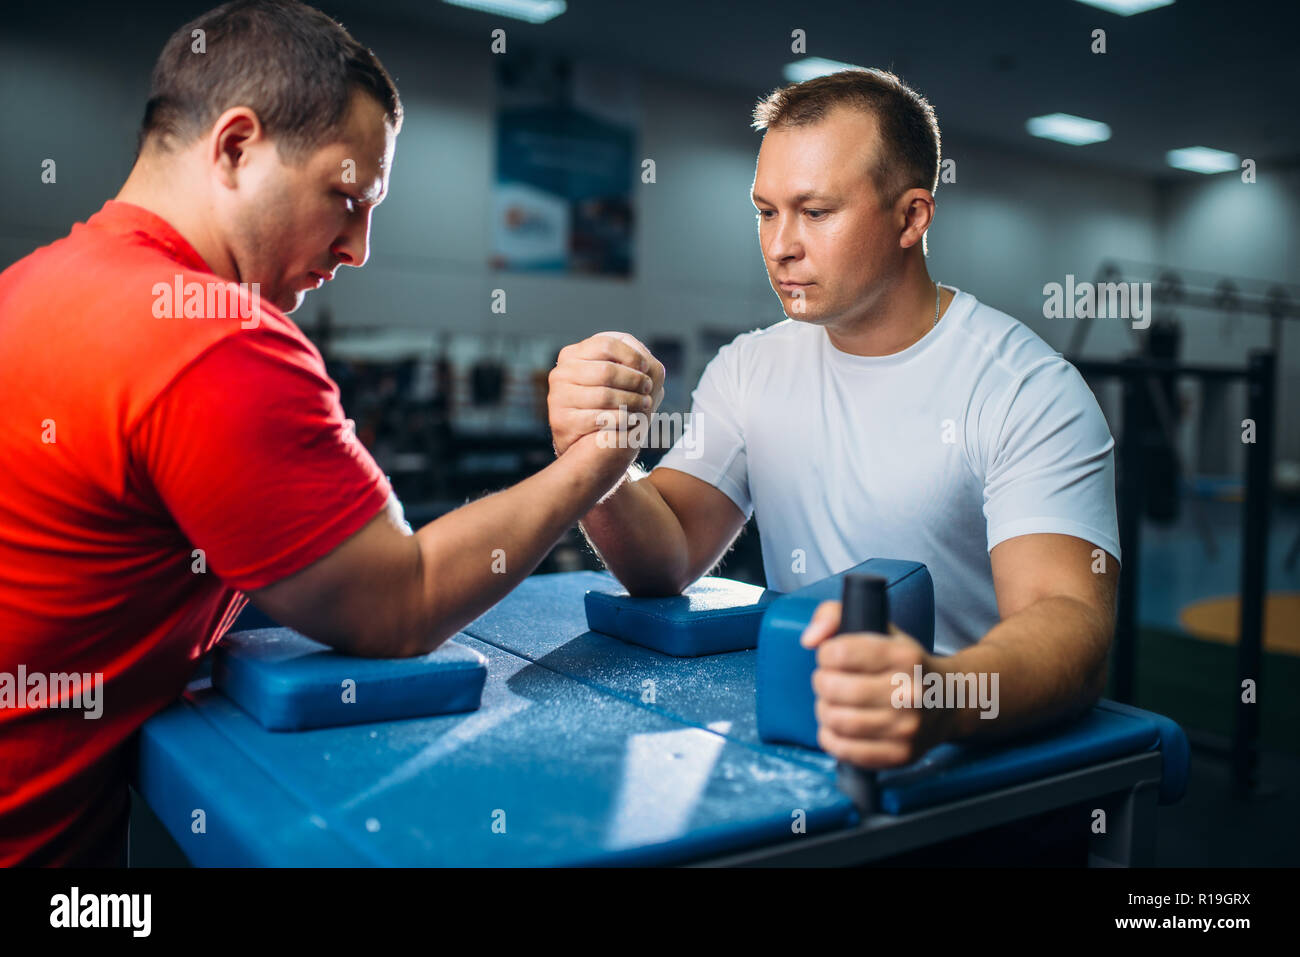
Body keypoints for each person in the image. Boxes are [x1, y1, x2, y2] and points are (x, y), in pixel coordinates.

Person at [0, 0, 656, 866]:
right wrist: (595, 461)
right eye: (346, 197)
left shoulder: (30, 286)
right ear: (235, 148)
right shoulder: (208, 338)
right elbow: (402, 601)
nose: (360, 247)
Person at [564, 68, 1121, 773]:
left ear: (912, 217)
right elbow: (667, 554)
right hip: (803, 746)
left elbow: (1067, 618)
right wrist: (599, 458)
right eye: (766, 211)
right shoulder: (750, 367)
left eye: (816, 212)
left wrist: (941, 696)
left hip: (964, 768)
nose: (779, 245)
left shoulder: (1026, 389)